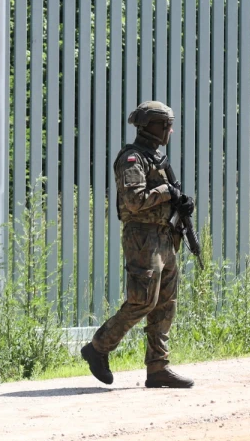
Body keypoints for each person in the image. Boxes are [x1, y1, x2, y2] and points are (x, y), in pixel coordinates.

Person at [80, 101, 195, 389]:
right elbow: (134, 201)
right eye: (166, 125)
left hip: (164, 236)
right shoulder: (133, 159)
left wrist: (180, 202)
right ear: (151, 126)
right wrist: (167, 191)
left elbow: (162, 197)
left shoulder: (155, 158)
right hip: (143, 238)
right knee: (142, 300)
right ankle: (98, 347)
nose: (170, 130)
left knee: (165, 304)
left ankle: (158, 367)